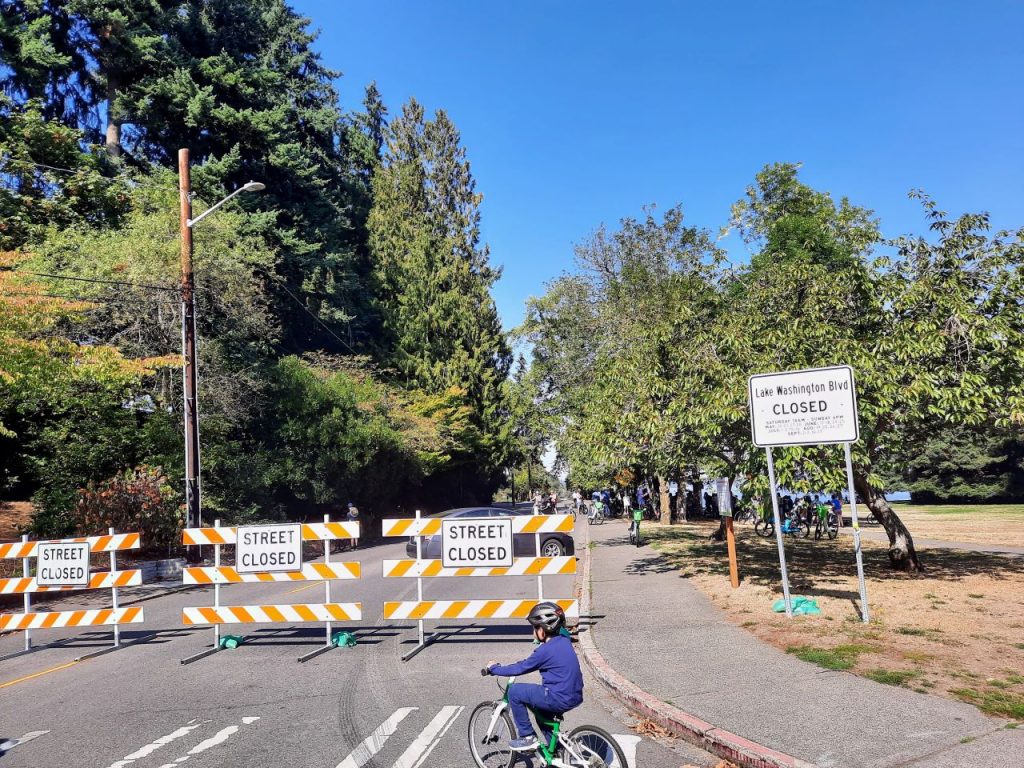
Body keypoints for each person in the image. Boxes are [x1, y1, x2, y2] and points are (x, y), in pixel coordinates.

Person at [485, 602, 584, 752]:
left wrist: (494, 668)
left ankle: (527, 737)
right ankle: (556, 751)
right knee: (541, 715)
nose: (533, 632)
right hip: (575, 695)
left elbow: (520, 668)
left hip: (557, 697)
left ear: (543, 630)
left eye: (535, 627)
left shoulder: (544, 651)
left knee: (515, 691)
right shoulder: (565, 641)